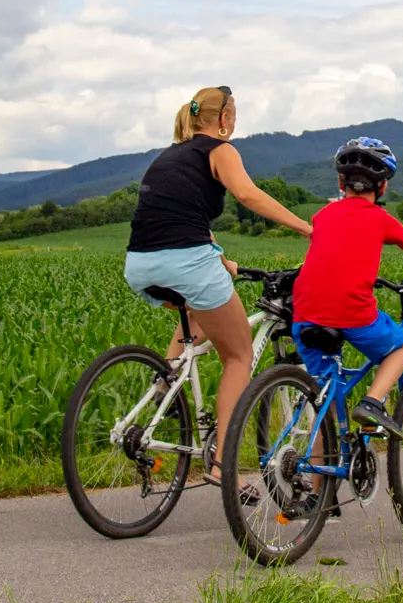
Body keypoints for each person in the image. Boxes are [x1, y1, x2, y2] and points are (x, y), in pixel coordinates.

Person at [123, 86, 313, 479]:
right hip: (187, 261)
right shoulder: (219, 150)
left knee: (194, 310)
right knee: (238, 356)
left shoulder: (169, 156)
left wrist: (221, 258)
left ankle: (166, 381)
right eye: (235, 113)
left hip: (140, 263)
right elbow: (247, 194)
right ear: (224, 118)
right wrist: (305, 228)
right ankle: (223, 462)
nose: (236, 120)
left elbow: (175, 217)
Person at [290, 137, 403, 435]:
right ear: (383, 186)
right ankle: (373, 403)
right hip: (352, 312)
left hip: (304, 314)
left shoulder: (321, 215)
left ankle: (320, 476)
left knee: (326, 406)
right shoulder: (381, 219)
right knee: (402, 346)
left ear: (341, 182)